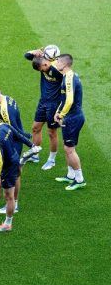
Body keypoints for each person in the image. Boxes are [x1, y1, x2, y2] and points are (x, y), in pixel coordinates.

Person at [0, 85, 34, 213]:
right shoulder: (8, 99)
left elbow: (12, 129)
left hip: (13, 142)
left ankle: (14, 204)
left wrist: (22, 139)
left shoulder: (5, 110)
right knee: (5, 171)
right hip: (14, 140)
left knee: (14, 174)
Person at [24, 48, 63, 170]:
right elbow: (26, 56)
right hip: (43, 102)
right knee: (35, 127)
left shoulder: (58, 70)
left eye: (42, 69)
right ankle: (35, 155)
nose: (42, 71)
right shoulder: (41, 62)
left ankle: (51, 160)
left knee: (51, 132)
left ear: (47, 63)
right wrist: (35, 51)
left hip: (54, 104)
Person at [54, 54, 86, 190]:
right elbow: (63, 99)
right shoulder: (67, 76)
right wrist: (57, 111)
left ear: (65, 64)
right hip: (71, 117)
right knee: (67, 148)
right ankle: (70, 175)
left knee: (69, 149)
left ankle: (79, 179)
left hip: (72, 118)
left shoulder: (69, 78)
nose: (56, 64)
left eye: (58, 61)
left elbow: (69, 100)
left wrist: (61, 114)